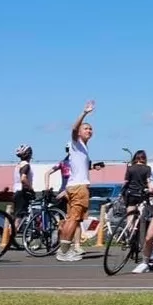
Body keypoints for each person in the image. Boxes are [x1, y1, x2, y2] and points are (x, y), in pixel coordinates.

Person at [57, 101, 96, 262]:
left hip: (74, 186)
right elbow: (73, 129)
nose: (89, 131)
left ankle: (64, 249)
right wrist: (84, 113)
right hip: (79, 188)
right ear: (80, 132)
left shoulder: (83, 148)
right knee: (74, 219)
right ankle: (64, 252)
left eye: (90, 129)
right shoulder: (76, 142)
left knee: (73, 219)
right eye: (86, 128)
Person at [120, 150, 151, 231]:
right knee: (143, 216)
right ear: (144, 158)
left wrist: (121, 192)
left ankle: (129, 234)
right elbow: (148, 181)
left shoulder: (130, 168)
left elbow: (126, 182)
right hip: (142, 195)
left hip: (131, 194)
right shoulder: (147, 168)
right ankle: (140, 236)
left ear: (135, 158)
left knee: (130, 215)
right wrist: (151, 190)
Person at [12, 144, 35, 224]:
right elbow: (23, 178)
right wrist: (31, 189)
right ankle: (12, 234)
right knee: (18, 218)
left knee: (17, 216)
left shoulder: (19, 165)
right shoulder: (26, 165)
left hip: (16, 191)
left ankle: (11, 233)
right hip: (22, 192)